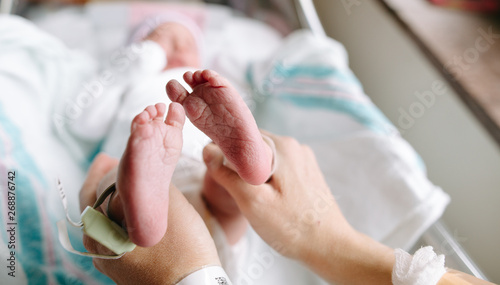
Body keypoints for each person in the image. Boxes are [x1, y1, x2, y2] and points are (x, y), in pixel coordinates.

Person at [80, 128, 495, 285]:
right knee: (225, 212)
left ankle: (132, 204)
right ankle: (241, 174)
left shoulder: (147, 72)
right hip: (189, 173)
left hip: (166, 153)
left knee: (109, 175)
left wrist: (183, 278)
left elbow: (86, 119)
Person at [72, 15, 274, 247]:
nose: (178, 46)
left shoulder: (209, 90)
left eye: (188, 43)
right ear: (137, 48)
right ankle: (239, 168)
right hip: (197, 218)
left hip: (194, 164)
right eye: (162, 38)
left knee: (105, 174)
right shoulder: (132, 80)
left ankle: (239, 163)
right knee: (226, 204)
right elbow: (85, 124)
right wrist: (126, 69)